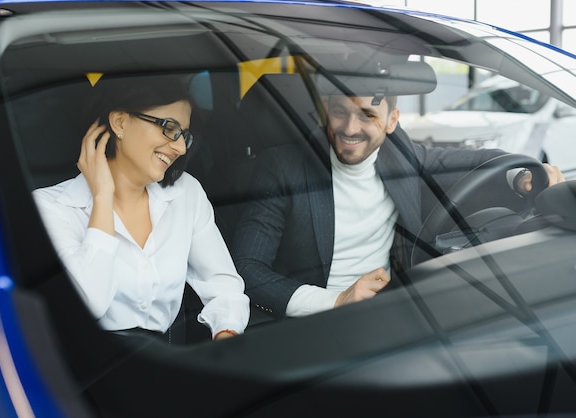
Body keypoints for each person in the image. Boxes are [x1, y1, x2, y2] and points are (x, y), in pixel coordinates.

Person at [232, 91, 565, 322]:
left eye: (367, 116)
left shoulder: (402, 154)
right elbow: (247, 266)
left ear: (392, 121)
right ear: (325, 112)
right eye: (340, 112)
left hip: (395, 309)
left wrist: (522, 175)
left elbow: (477, 161)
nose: (350, 128)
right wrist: (334, 301)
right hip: (317, 321)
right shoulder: (283, 166)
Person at [33, 76, 249, 342]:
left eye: (184, 135)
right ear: (120, 122)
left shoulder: (186, 193)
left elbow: (224, 287)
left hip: (164, 364)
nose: (181, 148)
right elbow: (90, 303)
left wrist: (225, 337)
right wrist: (102, 197)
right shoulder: (51, 207)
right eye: (170, 128)